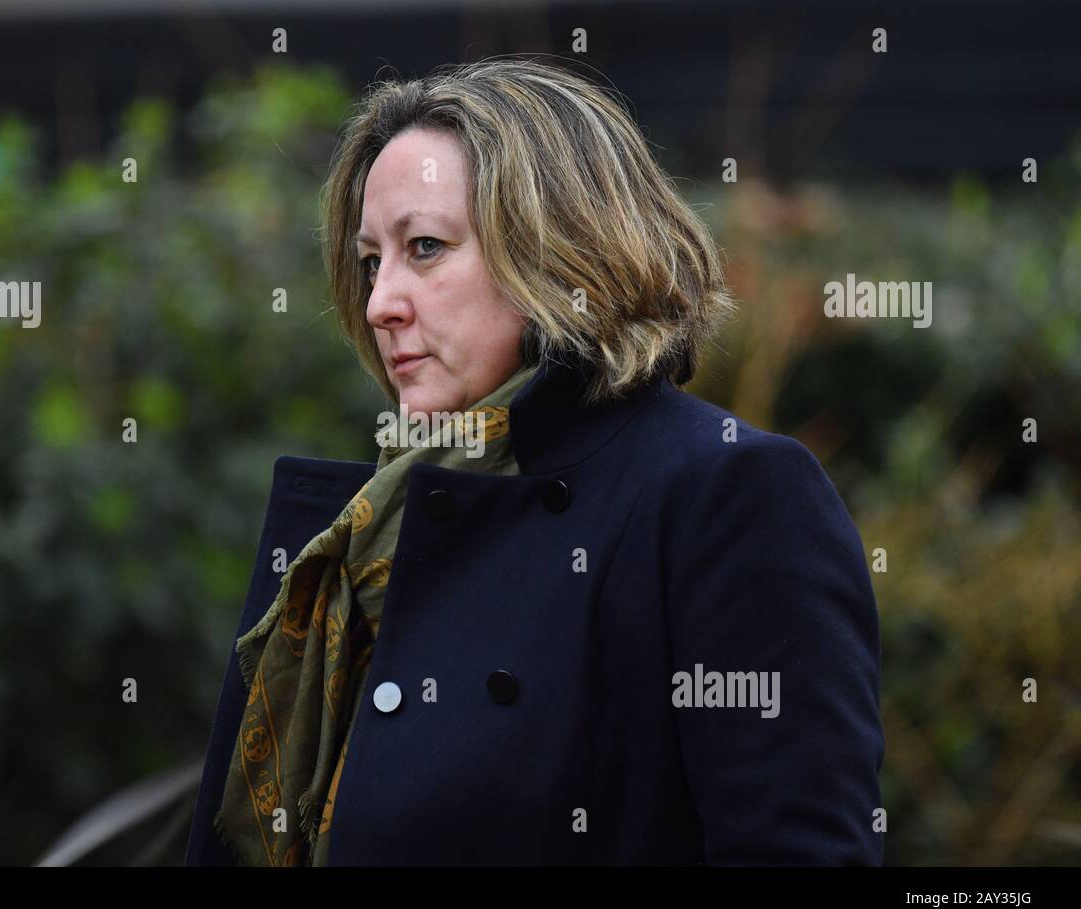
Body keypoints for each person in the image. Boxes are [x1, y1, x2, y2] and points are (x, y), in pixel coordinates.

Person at [186, 56, 884, 866]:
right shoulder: (370, 525)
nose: (380, 303)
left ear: (560, 252)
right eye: (371, 260)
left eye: (425, 247)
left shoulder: (725, 494)